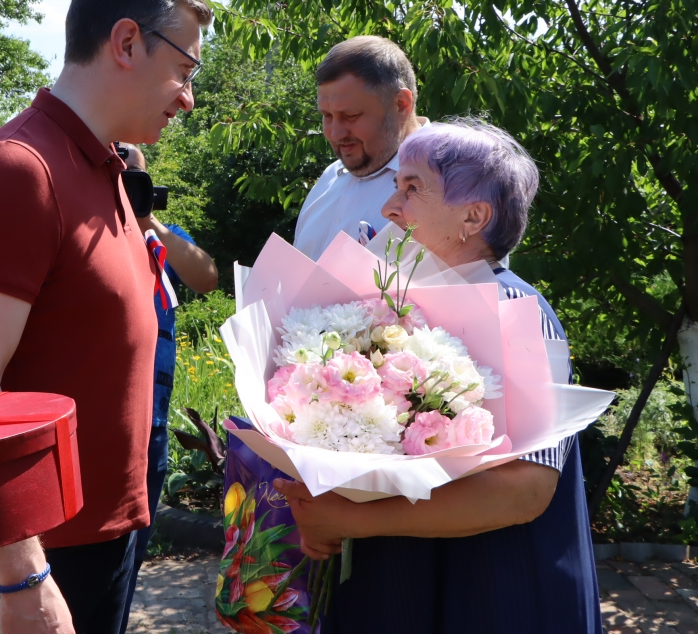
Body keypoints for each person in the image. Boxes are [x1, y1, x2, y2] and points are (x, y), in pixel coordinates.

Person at [0, 0, 213, 634]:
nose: (187, 97)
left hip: (102, 539)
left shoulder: (111, 170)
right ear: (125, 43)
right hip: (36, 562)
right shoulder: (19, 170)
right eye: (185, 69)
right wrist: (23, 577)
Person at [275, 120, 602, 634]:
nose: (389, 207)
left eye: (412, 188)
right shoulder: (392, 309)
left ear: (474, 216)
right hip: (398, 585)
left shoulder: (518, 310)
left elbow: (526, 491)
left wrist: (352, 520)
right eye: (395, 187)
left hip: (493, 590)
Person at [116, 144, 217, 634]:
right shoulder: (82, 226)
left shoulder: (159, 236)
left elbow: (207, 276)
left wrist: (149, 222)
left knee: (133, 543)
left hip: (150, 416)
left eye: (131, 173)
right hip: (98, 414)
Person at [292, 36, 426, 259]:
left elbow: (478, 287)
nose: (335, 133)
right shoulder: (329, 178)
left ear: (401, 105)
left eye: (351, 116)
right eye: (326, 116)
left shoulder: (452, 183)